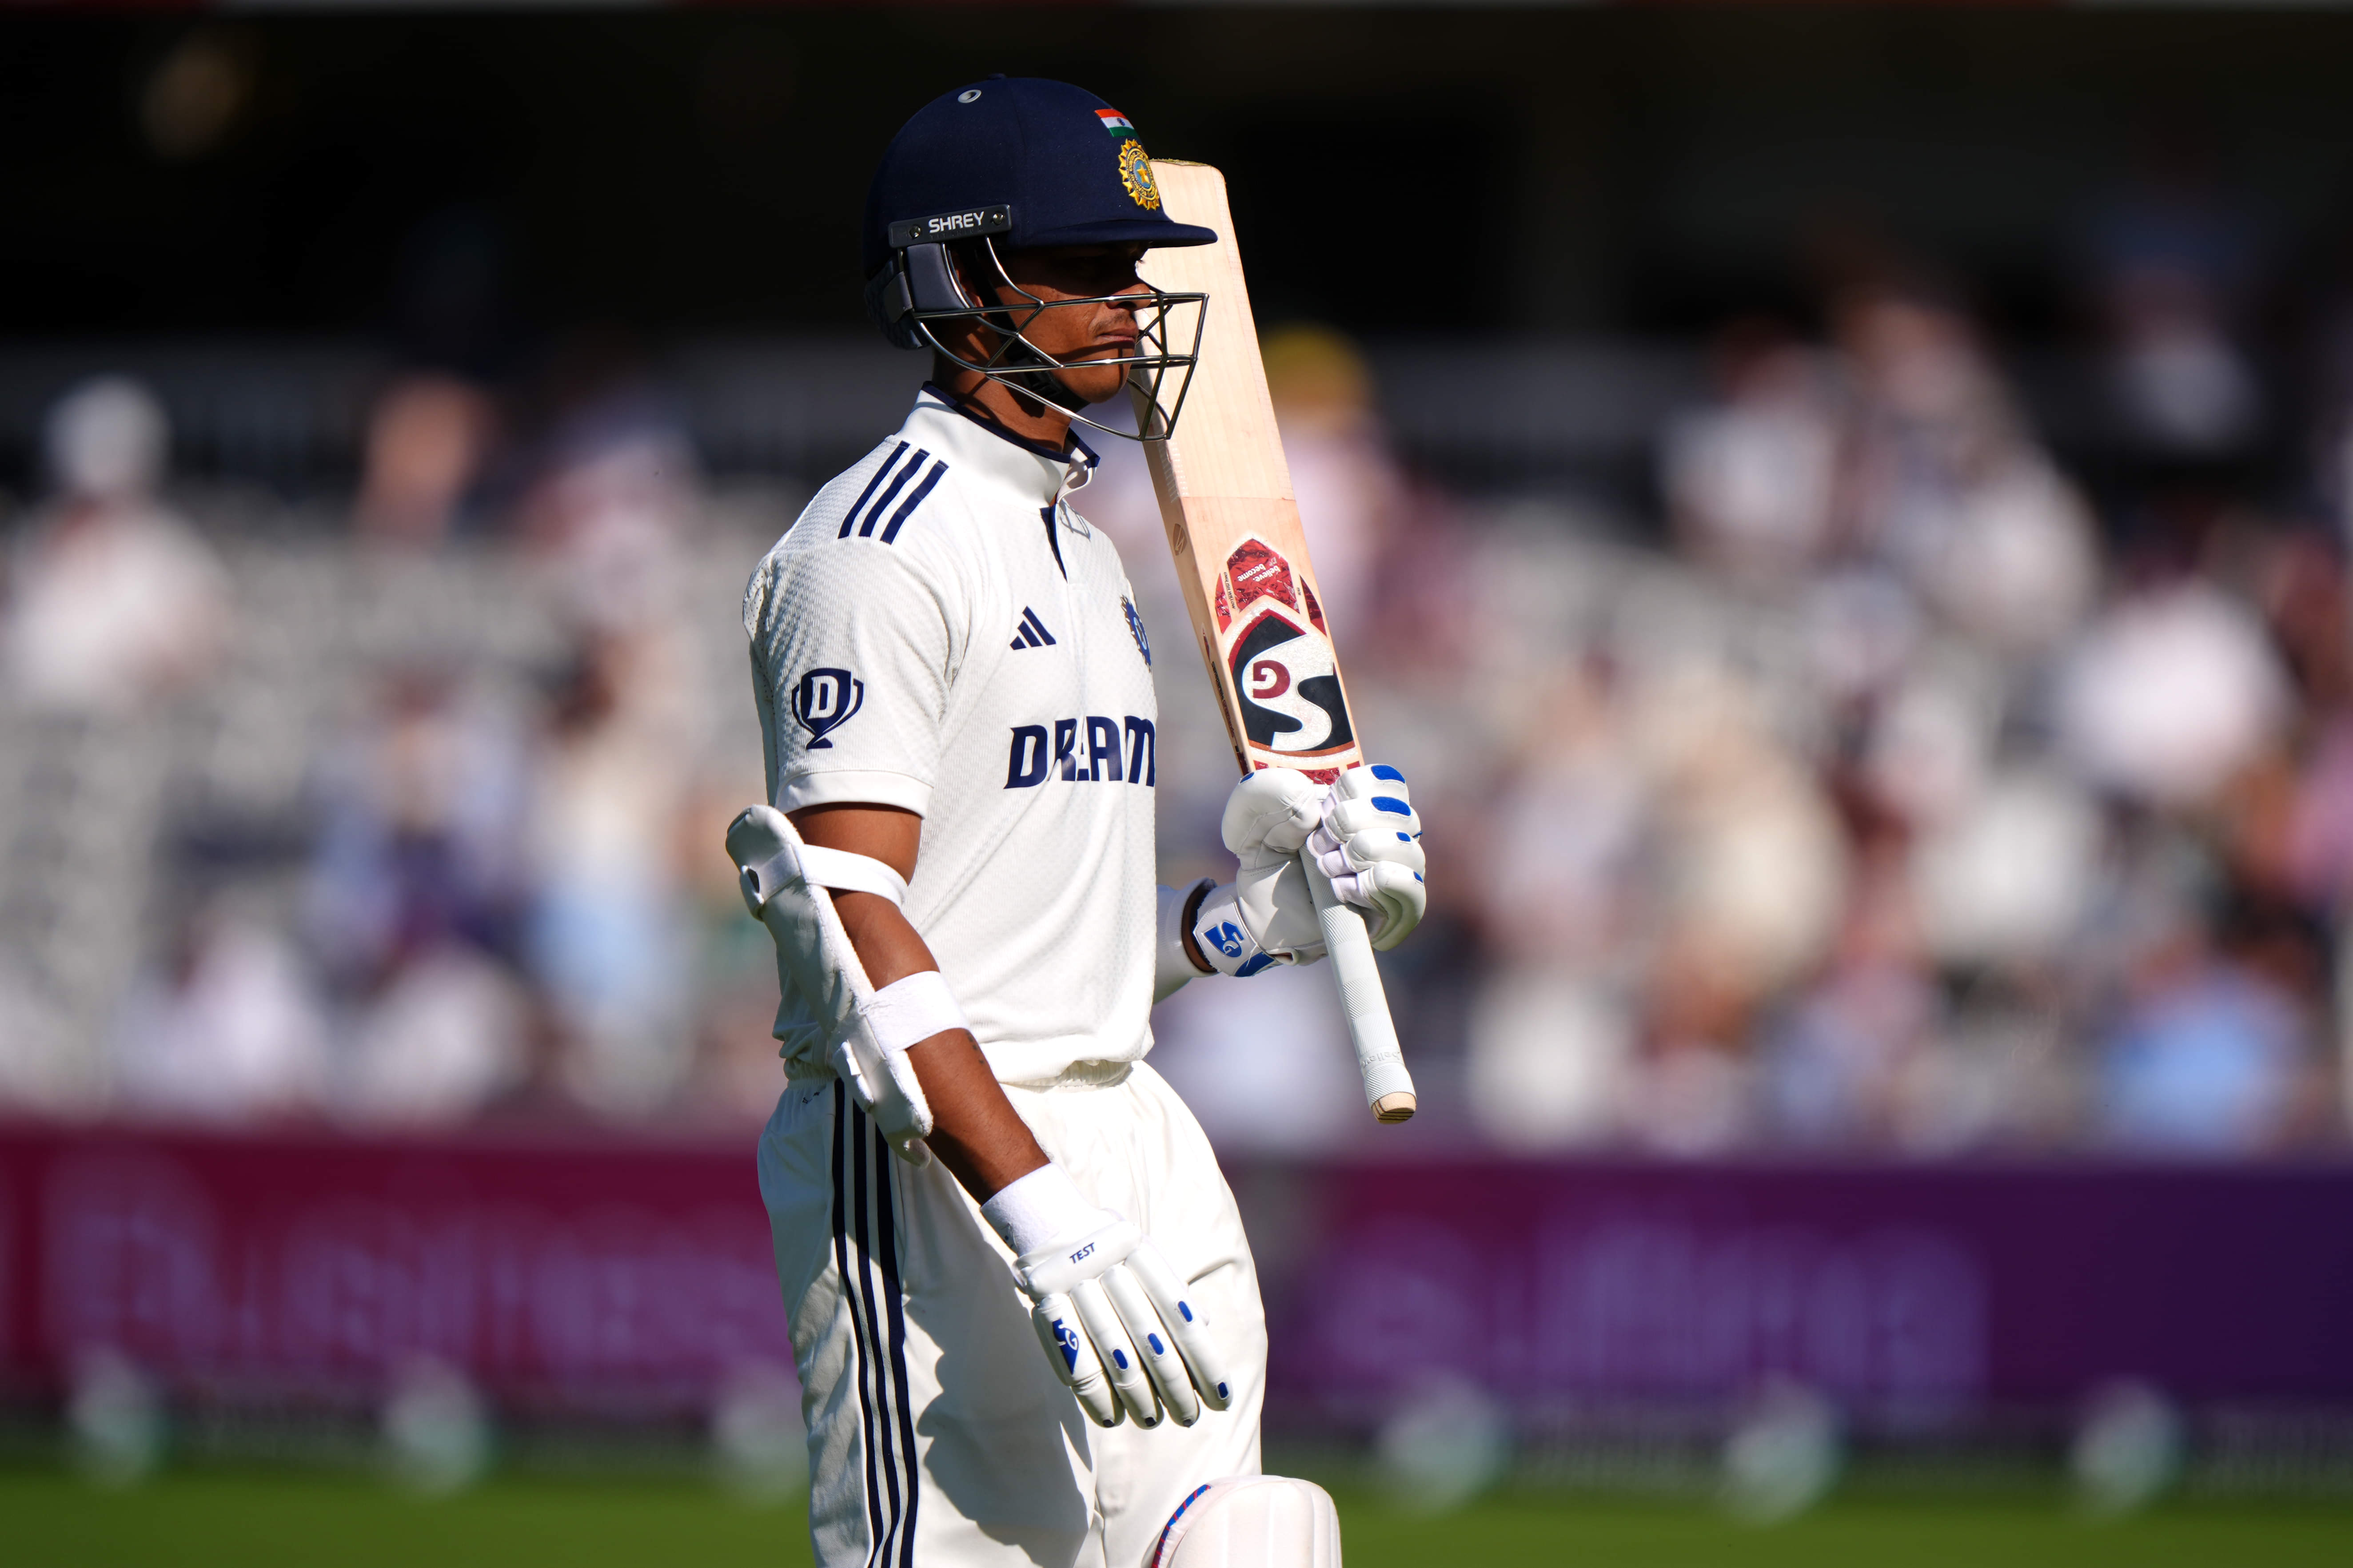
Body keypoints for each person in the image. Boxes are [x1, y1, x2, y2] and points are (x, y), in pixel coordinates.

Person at [726, 80, 1424, 1568]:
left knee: (1251, 1539)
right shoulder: (872, 552)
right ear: (957, 277)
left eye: (1136, 265)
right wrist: (1034, 1200)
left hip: (1131, 1125)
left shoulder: (1089, 554)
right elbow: (853, 918)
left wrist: (1239, 923)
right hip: (930, 1159)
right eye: (1087, 265)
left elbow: (1051, 925)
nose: (1132, 300)